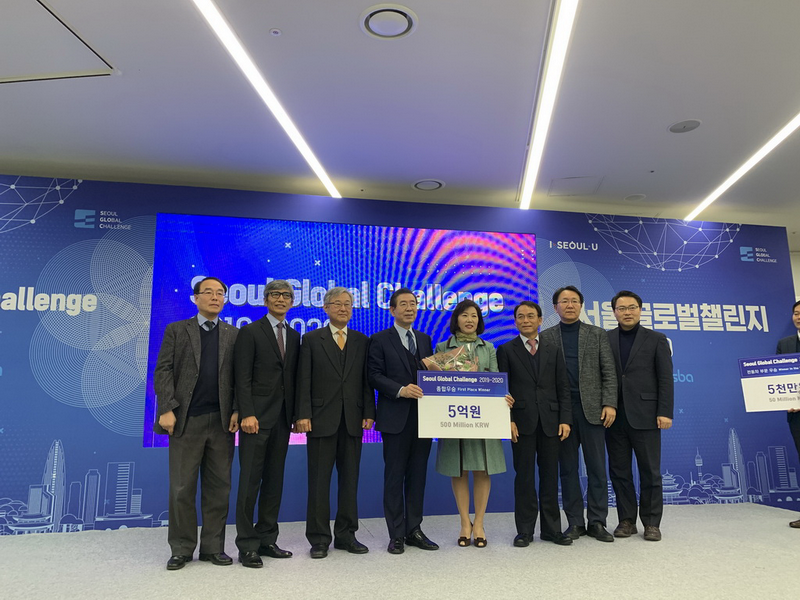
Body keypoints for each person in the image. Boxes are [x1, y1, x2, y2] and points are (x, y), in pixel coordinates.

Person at [154, 276, 239, 571]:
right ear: (196, 298)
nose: (215, 297)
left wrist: (237, 409)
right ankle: (181, 548)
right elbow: (163, 370)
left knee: (219, 488)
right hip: (185, 420)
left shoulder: (233, 334)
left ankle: (213, 547)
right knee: (182, 488)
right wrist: (167, 407)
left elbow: (241, 377)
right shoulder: (177, 330)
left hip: (222, 422)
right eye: (209, 292)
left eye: (220, 293)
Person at [295, 287, 375, 558]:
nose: (343, 308)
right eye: (337, 304)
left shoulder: (362, 341)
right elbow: (303, 380)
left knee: (350, 482)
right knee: (319, 483)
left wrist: (369, 411)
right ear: (326, 308)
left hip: (353, 421)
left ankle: (346, 535)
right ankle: (319, 539)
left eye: (348, 304)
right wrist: (302, 414)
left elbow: (366, 381)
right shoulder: (311, 339)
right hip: (320, 420)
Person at [540, 285, 617, 542]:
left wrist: (610, 403)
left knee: (597, 468)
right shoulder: (547, 337)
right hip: (562, 414)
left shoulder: (597, 334)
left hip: (594, 411)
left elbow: (609, 371)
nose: (569, 305)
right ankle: (575, 522)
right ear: (555, 307)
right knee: (568, 469)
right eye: (564, 301)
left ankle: (597, 521)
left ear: (581, 305)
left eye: (574, 301)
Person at [429, 299, 507, 548]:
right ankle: (465, 523)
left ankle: (480, 523)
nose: (469, 320)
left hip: (483, 418)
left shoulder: (489, 347)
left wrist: (499, 391)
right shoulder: (443, 346)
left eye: (474, 315)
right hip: (454, 417)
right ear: (457, 319)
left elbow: (496, 380)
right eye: (464, 315)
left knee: (483, 470)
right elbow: (436, 383)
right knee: (458, 469)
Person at [234, 279, 300, 568]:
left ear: (292, 302)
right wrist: (246, 413)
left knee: (274, 481)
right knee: (250, 483)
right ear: (265, 300)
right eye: (275, 295)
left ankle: (267, 539)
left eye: (286, 295)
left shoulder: (294, 335)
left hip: (283, 420)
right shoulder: (250, 331)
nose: (281, 299)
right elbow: (241, 376)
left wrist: (296, 415)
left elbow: (294, 378)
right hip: (255, 420)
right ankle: (247, 545)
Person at [367, 287, 438, 554]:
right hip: (395, 418)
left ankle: (414, 529)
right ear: (392, 309)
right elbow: (374, 375)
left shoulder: (424, 339)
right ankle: (396, 534)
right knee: (395, 477)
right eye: (404, 304)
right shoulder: (379, 339)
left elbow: (429, 376)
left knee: (418, 477)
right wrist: (400, 390)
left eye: (413, 304)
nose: (410, 308)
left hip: (423, 419)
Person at [497, 301, 573, 547]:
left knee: (550, 477)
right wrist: (508, 421)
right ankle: (525, 530)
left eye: (531, 316)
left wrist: (565, 419)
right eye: (520, 316)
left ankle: (552, 529)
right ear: (515, 321)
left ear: (540, 320)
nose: (525, 320)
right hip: (521, 423)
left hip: (551, 422)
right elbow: (502, 390)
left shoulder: (553, 350)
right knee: (525, 478)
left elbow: (563, 387)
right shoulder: (505, 350)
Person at [606, 290, 673, 542]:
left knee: (650, 472)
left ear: (640, 310)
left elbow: (665, 378)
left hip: (646, 415)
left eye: (632, 307)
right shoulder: (605, 339)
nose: (627, 312)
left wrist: (664, 411)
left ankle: (652, 523)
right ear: (614, 312)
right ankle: (626, 520)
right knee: (619, 471)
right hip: (614, 417)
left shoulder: (656, 339)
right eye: (621, 308)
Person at [775, 299, 800, 528]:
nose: (798, 317)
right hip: (796, 415)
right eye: (796, 313)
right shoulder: (785, 344)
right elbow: (776, 378)